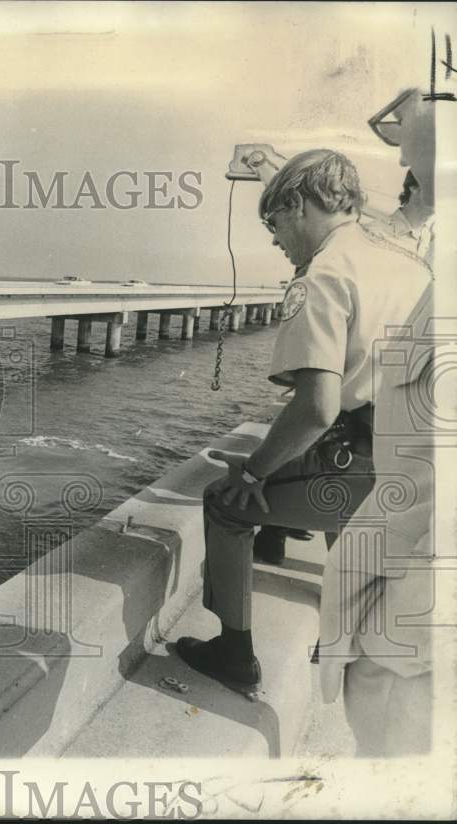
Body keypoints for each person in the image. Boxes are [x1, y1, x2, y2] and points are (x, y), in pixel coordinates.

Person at [175, 149, 432, 696]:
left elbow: (316, 407)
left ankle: (233, 654)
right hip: (423, 464)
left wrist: (252, 473)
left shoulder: (324, 273)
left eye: (274, 225)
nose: (277, 242)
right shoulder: (406, 260)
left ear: (297, 205)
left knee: (225, 504)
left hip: (372, 462)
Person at [315, 88, 440, 755]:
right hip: (410, 599)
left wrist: (348, 632)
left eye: (416, 180)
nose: (407, 198)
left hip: (419, 616)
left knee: (391, 746)